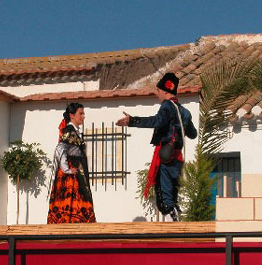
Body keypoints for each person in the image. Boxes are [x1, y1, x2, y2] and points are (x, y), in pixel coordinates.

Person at [116, 72, 197, 222]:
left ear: (165, 91)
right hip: (177, 157)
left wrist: (132, 121)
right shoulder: (185, 112)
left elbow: (156, 122)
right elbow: (193, 134)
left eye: (158, 91)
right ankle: (177, 221)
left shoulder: (167, 106)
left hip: (165, 156)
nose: (157, 94)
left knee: (164, 196)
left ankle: (173, 222)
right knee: (173, 192)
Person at [47, 103, 96, 224]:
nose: (83, 116)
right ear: (72, 115)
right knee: (74, 201)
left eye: (83, 113)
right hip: (71, 174)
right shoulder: (70, 130)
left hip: (77, 170)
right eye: (81, 113)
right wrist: (67, 169)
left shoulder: (74, 131)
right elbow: (60, 149)